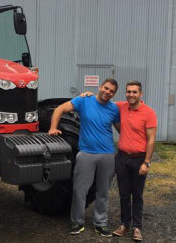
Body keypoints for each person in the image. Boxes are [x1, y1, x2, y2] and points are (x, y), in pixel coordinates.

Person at [48, 78, 120, 237]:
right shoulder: (84, 100)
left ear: (114, 94)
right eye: (106, 88)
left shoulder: (114, 109)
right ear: (100, 87)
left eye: (111, 91)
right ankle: (77, 222)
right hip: (86, 153)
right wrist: (53, 128)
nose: (107, 92)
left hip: (107, 154)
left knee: (103, 191)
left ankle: (100, 223)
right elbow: (60, 109)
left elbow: (122, 129)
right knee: (80, 189)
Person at [111, 80, 157, 241]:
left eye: (134, 92)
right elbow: (103, 100)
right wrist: (87, 95)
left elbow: (151, 140)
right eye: (128, 91)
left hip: (139, 159)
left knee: (137, 194)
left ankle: (137, 227)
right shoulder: (121, 106)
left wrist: (147, 162)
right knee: (124, 194)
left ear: (140, 94)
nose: (131, 94)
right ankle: (124, 225)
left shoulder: (148, 113)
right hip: (122, 158)